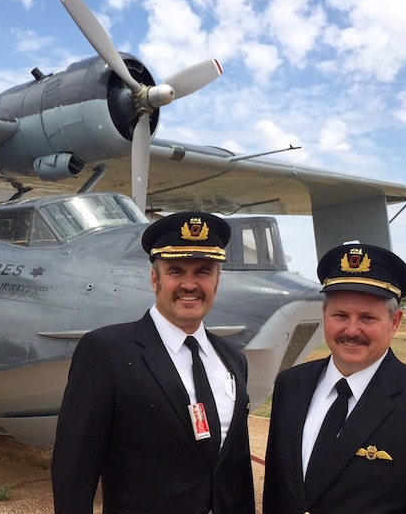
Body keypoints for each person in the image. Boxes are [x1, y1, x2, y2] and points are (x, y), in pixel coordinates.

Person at [51, 211, 256, 514]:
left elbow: (236, 469)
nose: (190, 284)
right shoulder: (107, 352)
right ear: (154, 279)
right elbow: (73, 469)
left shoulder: (233, 360)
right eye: (175, 271)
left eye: (203, 271)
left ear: (217, 280)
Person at [262, 243, 406, 513]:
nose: (351, 330)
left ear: (394, 322)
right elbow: (277, 494)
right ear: (324, 315)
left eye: (367, 318)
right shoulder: (291, 385)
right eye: (340, 315)